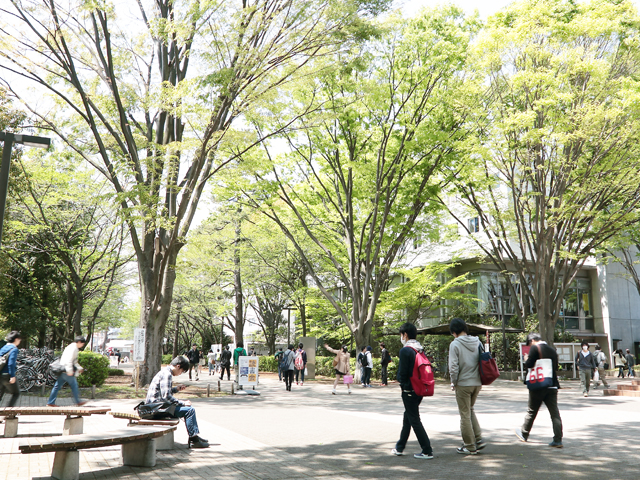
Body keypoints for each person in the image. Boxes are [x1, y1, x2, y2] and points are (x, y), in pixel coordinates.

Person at [146, 356, 209, 448]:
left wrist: (176, 389)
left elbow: (164, 393)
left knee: (188, 410)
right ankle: (194, 440)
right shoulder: (167, 374)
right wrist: (182, 403)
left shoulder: (164, 372)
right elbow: (166, 396)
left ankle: (194, 436)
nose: (180, 374)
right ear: (178, 366)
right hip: (157, 409)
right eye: (182, 371)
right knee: (189, 410)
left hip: (155, 406)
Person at [392, 322, 434, 459]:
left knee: (414, 419)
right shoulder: (419, 349)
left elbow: (402, 373)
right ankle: (400, 447)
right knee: (408, 418)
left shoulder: (405, 350)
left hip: (409, 390)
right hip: (419, 388)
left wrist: (402, 383)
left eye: (401, 335)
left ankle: (427, 450)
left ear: (405, 335)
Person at [515, 332, 563, 448]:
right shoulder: (552, 350)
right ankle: (558, 440)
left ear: (532, 341)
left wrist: (526, 359)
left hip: (538, 385)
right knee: (554, 413)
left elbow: (530, 364)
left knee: (532, 411)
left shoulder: (535, 348)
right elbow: (555, 367)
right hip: (552, 385)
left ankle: (524, 433)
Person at [448, 317, 484, 455]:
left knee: (464, 414)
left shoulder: (455, 344)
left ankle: (469, 445)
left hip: (463, 383)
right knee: (470, 410)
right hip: (477, 383)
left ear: (454, 331)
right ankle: (479, 439)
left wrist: (453, 382)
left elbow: (453, 367)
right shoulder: (477, 341)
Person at [47, 336, 88, 407]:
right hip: (66, 370)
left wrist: (79, 368)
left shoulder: (71, 347)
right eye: (82, 344)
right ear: (79, 342)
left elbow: (74, 361)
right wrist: (69, 371)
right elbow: (69, 360)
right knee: (74, 385)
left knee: (57, 386)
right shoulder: (73, 348)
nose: (82, 345)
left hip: (62, 369)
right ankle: (78, 401)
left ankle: (50, 402)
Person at [0, 331, 21, 407]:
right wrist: (12, 376)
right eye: (19, 339)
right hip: (7, 375)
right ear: (16, 339)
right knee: (16, 393)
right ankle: (9, 413)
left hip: (0, 374)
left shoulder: (3, 348)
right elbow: (11, 363)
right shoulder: (14, 349)